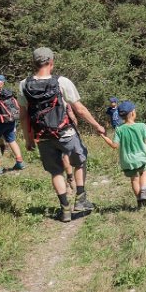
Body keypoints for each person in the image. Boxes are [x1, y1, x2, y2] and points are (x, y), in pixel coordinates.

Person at [18, 47, 106, 223]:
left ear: (33, 63)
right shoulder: (62, 82)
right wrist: (97, 125)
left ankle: (65, 209)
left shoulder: (24, 84)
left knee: (56, 171)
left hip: (42, 136)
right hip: (65, 133)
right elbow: (79, 108)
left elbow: (23, 115)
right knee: (79, 161)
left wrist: (28, 139)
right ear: (51, 62)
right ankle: (80, 200)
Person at [99, 101, 146, 209]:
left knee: (134, 179)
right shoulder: (141, 126)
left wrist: (103, 136)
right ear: (133, 113)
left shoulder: (119, 129)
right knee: (143, 173)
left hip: (127, 161)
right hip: (140, 158)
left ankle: (140, 200)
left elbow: (114, 145)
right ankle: (144, 191)